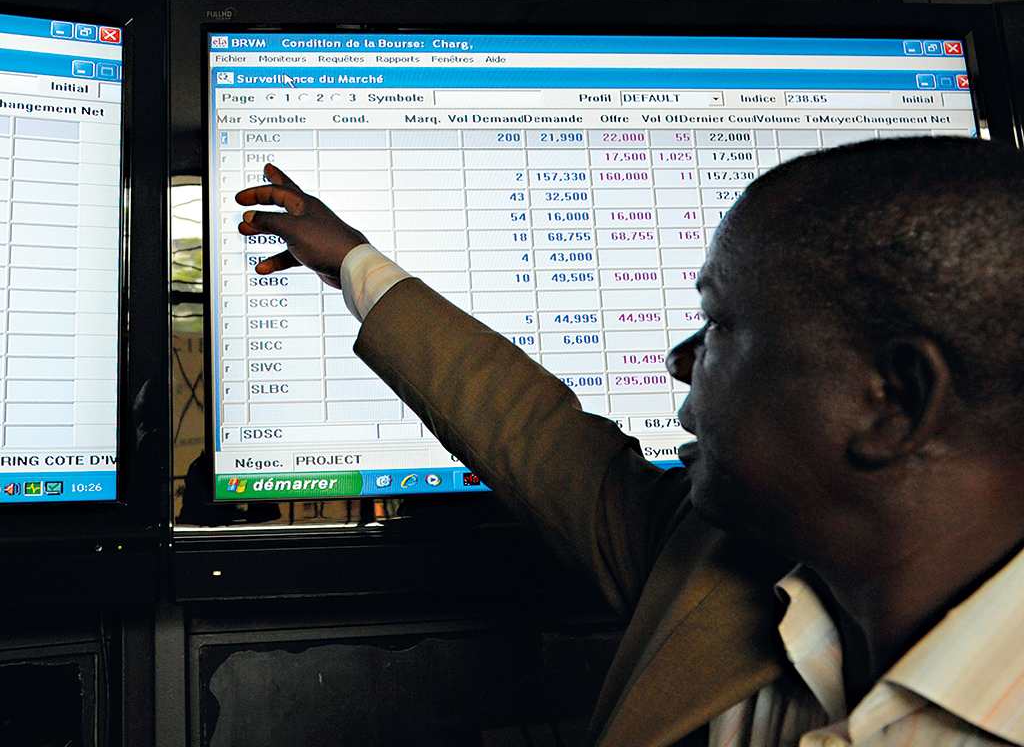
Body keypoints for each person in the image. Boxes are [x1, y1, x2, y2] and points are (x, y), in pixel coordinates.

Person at [235, 137, 1024, 747]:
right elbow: (541, 440)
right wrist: (353, 265)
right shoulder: (717, 567)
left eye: (719, 325)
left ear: (894, 400)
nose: (679, 361)